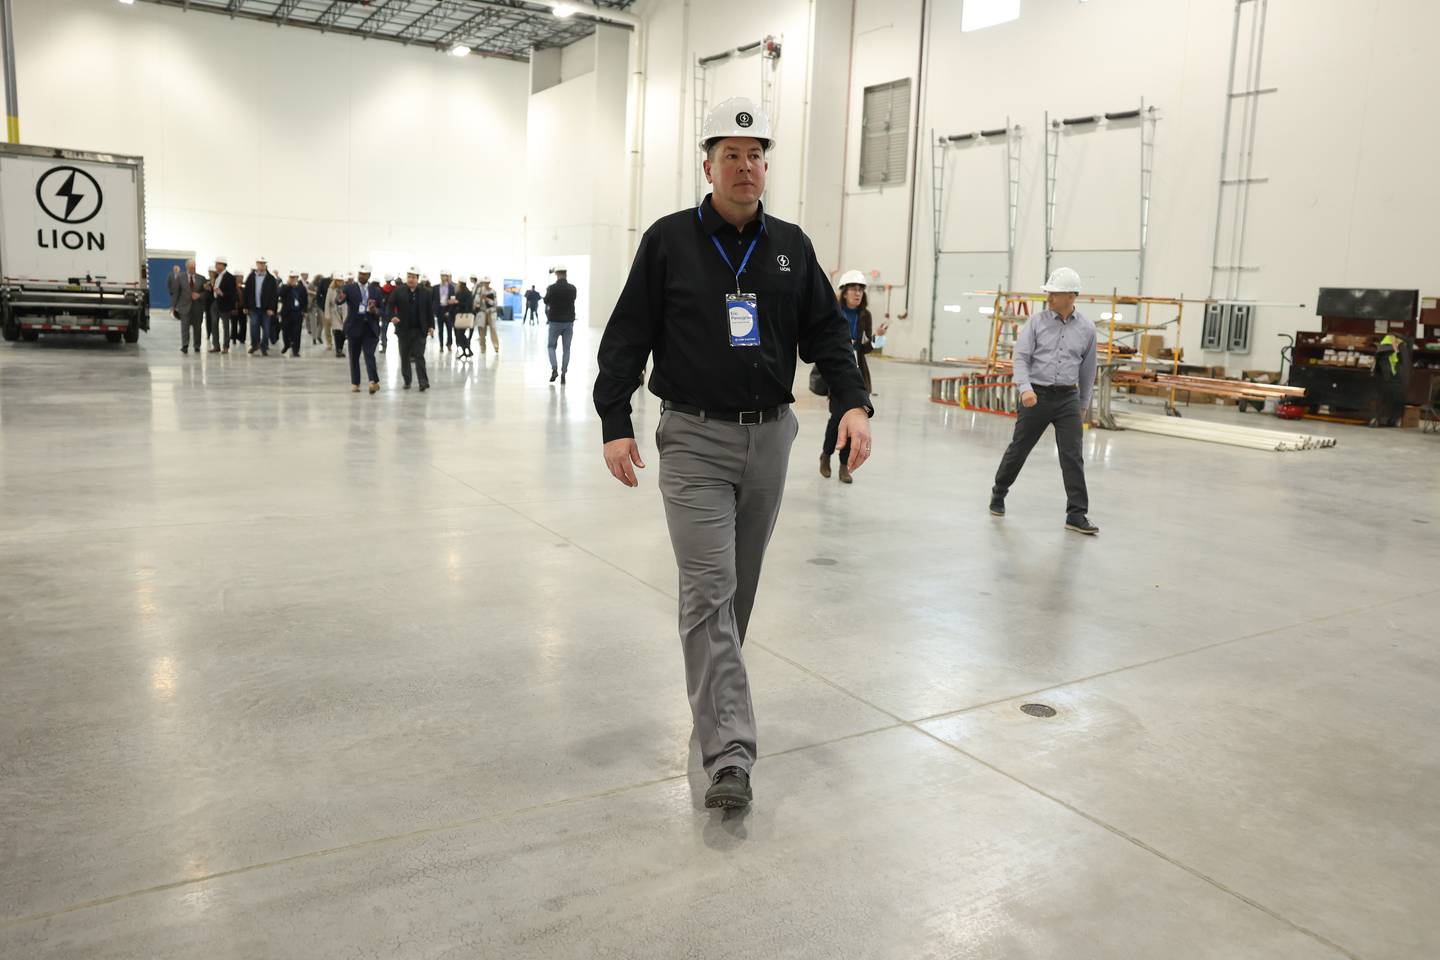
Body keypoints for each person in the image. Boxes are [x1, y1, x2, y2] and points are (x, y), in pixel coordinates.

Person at [594, 97, 873, 811]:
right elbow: (627, 335)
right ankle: (731, 753)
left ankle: (715, 706)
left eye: (755, 156)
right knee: (708, 591)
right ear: (708, 165)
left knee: (736, 593)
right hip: (692, 437)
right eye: (731, 155)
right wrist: (614, 418)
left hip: (770, 437)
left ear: (765, 167)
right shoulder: (669, 241)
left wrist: (852, 403)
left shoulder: (789, 245)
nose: (745, 168)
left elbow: (828, 334)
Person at [989, 266, 1099, 535]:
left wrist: (1083, 404)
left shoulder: (1087, 329)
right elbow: (1021, 358)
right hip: (1035, 396)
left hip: (1068, 399)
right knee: (1020, 449)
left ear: (1071, 296)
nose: (1048, 297)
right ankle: (999, 493)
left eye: (1054, 293)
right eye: (1048, 293)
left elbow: (1088, 370)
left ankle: (1076, 514)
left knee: (1072, 456)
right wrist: (1025, 388)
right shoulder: (1036, 323)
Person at [820, 271, 889, 484]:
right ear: (844, 292)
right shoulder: (835, 311)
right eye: (853, 289)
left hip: (858, 375)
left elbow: (867, 347)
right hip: (837, 373)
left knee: (855, 421)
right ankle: (826, 456)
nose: (857, 293)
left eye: (860, 290)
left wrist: (879, 338)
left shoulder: (864, 315)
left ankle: (844, 466)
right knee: (836, 419)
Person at [337, 264, 382, 394]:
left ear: (369, 276)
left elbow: (383, 310)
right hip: (354, 327)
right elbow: (338, 300)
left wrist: (375, 310)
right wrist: (340, 298)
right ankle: (355, 383)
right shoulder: (349, 288)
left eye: (365, 274)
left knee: (369, 354)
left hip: (370, 328)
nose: (362, 276)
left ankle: (373, 381)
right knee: (354, 356)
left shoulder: (375, 291)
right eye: (360, 273)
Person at [389, 267, 433, 391]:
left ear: (417, 279)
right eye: (409, 277)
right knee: (404, 356)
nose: (411, 279)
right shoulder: (398, 291)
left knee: (419, 356)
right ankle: (407, 380)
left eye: (413, 277)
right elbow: (390, 305)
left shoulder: (425, 292)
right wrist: (393, 316)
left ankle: (423, 382)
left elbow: (429, 311)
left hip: (420, 330)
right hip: (404, 330)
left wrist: (431, 326)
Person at [544, 264, 577, 383]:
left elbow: (546, 301)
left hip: (554, 322)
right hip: (568, 322)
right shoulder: (572, 288)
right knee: (566, 349)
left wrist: (548, 292)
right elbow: (573, 299)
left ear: (557, 274)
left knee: (551, 346)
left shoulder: (552, 288)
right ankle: (564, 373)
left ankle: (554, 369)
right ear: (566, 274)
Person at [1370, 334, 1411, 427]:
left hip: (1385, 378)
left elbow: (1379, 363)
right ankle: (1392, 419)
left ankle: (1380, 418)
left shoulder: (1384, 346)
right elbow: (1403, 365)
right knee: (1394, 398)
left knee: (1384, 398)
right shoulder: (1401, 345)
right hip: (1393, 378)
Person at [242, 257, 279, 356]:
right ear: (256, 264)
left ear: (265, 265)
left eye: (263, 263)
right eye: (259, 263)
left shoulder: (271, 278)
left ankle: (264, 346)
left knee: (266, 329)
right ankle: (255, 345)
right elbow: (246, 292)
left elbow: (274, 295)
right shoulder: (251, 277)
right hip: (254, 308)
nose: (261, 265)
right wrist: (245, 306)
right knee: (254, 327)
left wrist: (271, 308)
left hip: (266, 309)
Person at [175, 259, 206, 354]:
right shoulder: (180, 277)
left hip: (197, 307)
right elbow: (176, 292)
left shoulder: (201, 278)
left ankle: (197, 346)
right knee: (184, 327)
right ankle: (185, 345)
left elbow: (206, 292)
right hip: (184, 306)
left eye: (194, 267)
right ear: (187, 267)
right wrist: (174, 306)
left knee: (197, 328)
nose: (193, 269)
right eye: (191, 267)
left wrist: (199, 295)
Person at [209, 255, 238, 354]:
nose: (216, 266)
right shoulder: (217, 276)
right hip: (215, 303)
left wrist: (222, 294)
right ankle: (216, 346)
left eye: (217, 264)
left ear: (223, 265)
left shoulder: (230, 277)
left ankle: (226, 346)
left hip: (225, 305)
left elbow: (233, 293)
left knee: (225, 326)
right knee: (214, 324)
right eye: (216, 264)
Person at [279, 271, 309, 357]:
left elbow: (305, 299)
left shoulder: (301, 288)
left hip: (297, 313)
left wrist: (305, 310)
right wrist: (289, 286)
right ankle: (287, 344)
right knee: (285, 331)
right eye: (291, 277)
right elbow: (280, 294)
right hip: (286, 313)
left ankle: (296, 350)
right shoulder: (285, 286)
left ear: (297, 278)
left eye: (294, 277)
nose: (292, 279)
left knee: (296, 333)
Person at [433, 271, 458, 353]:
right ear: (440, 277)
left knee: (449, 329)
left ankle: (449, 344)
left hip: (448, 310)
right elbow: (433, 300)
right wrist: (435, 311)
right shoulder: (436, 287)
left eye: (445, 276)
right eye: (442, 276)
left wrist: (449, 311)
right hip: (439, 310)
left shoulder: (451, 287)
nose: (444, 278)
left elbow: (453, 300)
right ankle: (441, 346)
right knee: (440, 330)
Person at [476, 277, 500, 355]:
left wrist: (487, 299)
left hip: (491, 313)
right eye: (484, 283)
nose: (486, 284)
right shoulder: (479, 291)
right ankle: (482, 348)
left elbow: (495, 303)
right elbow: (476, 302)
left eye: (487, 282)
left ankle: (496, 347)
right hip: (482, 312)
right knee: (481, 331)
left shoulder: (493, 291)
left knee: (493, 330)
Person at [454, 280, 476, 359]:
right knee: (459, 335)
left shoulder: (467, 293)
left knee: (460, 335)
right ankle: (466, 351)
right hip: (459, 316)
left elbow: (468, 305)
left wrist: (458, 303)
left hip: (464, 317)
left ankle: (467, 350)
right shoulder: (458, 293)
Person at [325, 275, 347, 357]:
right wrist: (327, 314)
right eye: (338, 281)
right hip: (334, 313)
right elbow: (327, 302)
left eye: (341, 281)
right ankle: (338, 350)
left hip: (344, 312)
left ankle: (340, 348)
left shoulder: (345, 289)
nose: (340, 282)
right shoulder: (331, 290)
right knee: (337, 332)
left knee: (343, 333)